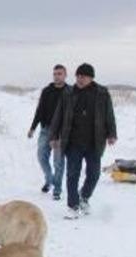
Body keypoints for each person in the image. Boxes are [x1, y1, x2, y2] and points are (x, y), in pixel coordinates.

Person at [49, 63, 117, 219]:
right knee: (73, 174)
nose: (79, 79)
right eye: (78, 76)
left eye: (83, 76)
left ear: (91, 78)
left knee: (94, 174)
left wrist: (112, 133)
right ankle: (73, 207)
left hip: (95, 141)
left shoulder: (102, 93)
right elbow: (58, 116)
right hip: (73, 142)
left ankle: (84, 196)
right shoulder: (68, 93)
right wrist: (53, 136)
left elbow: (109, 115)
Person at [28, 64, 70, 200]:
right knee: (41, 156)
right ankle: (49, 179)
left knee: (58, 161)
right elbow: (40, 110)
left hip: (61, 133)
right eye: (55, 74)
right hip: (46, 129)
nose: (57, 76)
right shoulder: (47, 91)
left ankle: (57, 188)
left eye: (60, 73)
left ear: (65, 75)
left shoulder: (70, 91)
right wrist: (33, 127)